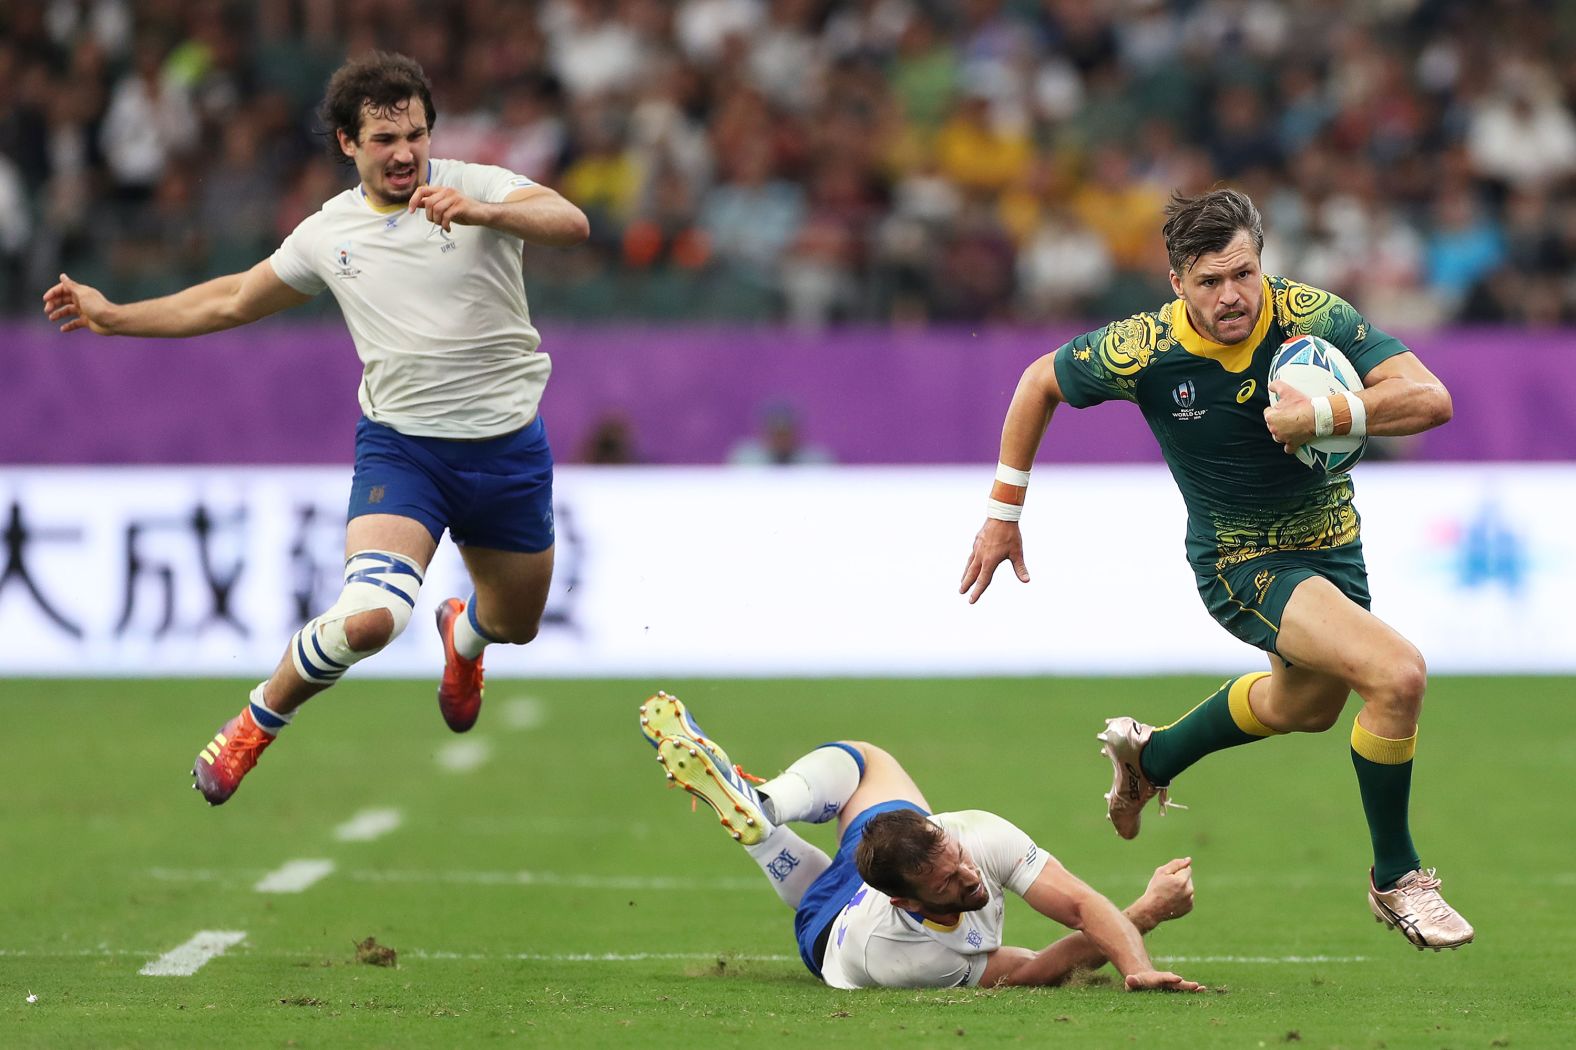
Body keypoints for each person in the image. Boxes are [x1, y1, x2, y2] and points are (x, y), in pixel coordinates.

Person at [42, 52, 589, 805]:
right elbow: (232, 298)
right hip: (406, 451)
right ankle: (254, 724)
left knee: (516, 623)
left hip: (508, 450)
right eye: (384, 139)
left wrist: (485, 212)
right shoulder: (328, 233)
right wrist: (115, 317)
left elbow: (572, 221)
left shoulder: (477, 185)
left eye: (417, 135)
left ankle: (463, 638)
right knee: (370, 618)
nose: (405, 153)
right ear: (347, 144)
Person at [959, 188, 1473, 951]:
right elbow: (1039, 382)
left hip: (1332, 548)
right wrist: (1004, 513)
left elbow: (1430, 400)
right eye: (1208, 281)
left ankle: (1153, 755)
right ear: (1176, 284)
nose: (1231, 295)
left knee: (1308, 708)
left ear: (1262, 262)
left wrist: (1324, 415)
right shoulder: (1142, 349)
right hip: (1241, 561)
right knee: (1397, 675)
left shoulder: (1309, 316)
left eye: (1243, 273)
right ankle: (1397, 879)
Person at [639, 691, 1203, 991]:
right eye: (949, 882)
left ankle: (767, 809)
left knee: (864, 761)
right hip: (830, 935)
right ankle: (763, 835)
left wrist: (1136, 962)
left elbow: (1080, 906)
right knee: (820, 896)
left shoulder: (967, 836)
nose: (969, 875)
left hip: (883, 858)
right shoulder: (913, 958)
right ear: (907, 900)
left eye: (956, 860)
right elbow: (1033, 970)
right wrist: (1146, 911)